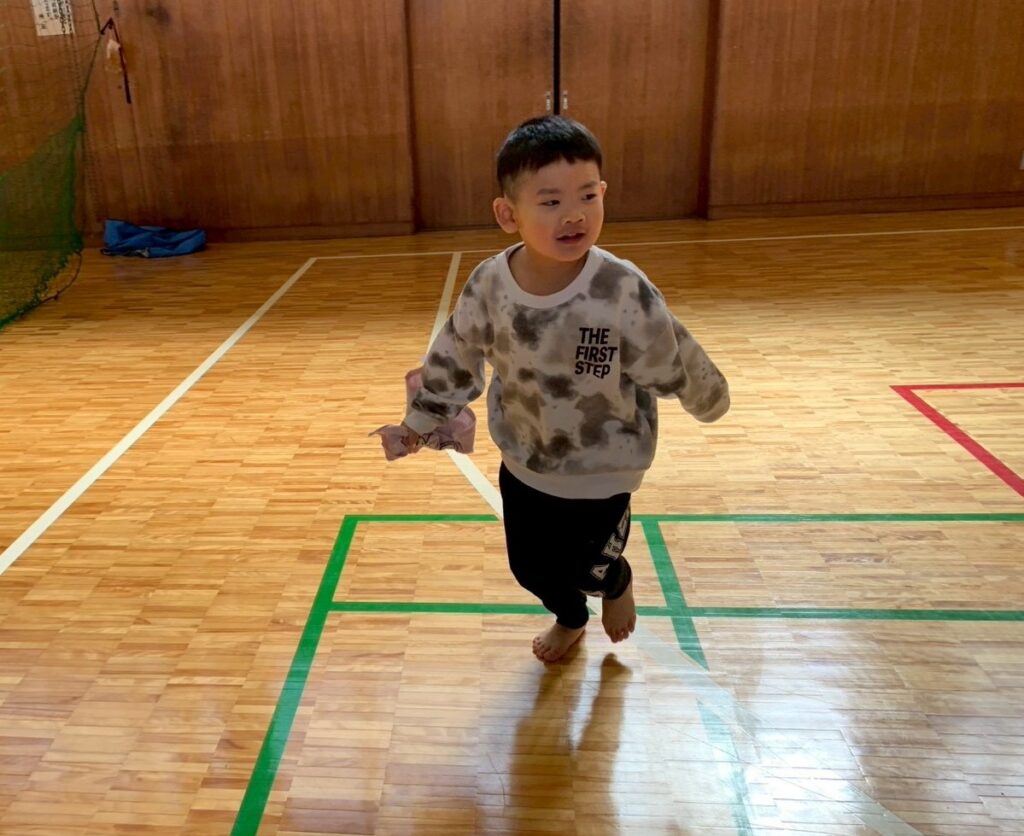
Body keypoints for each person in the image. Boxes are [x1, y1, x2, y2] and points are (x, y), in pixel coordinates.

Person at [398, 115, 730, 662]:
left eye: (587, 196)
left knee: (587, 565)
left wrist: (708, 399)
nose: (574, 214)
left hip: (605, 465)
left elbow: (669, 353)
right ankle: (571, 616)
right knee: (529, 567)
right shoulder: (490, 284)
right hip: (525, 456)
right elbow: (456, 353)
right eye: (551, 201)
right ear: (508, 215)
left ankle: (615, 580)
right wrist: (422, 417)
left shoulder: (621, 287)